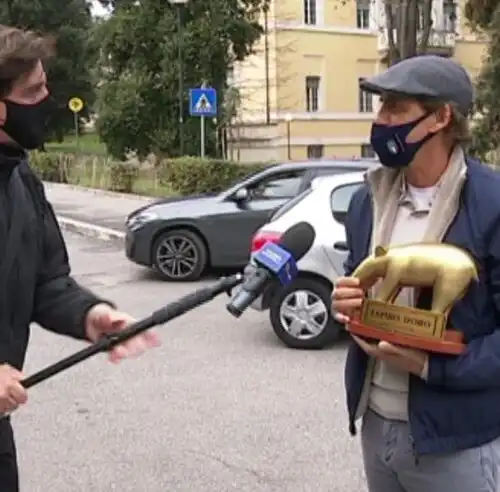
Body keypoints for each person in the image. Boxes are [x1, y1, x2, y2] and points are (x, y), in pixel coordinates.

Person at [0, 25, 161, 490]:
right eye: (33, 91)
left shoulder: (22, 180)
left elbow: (48, 281)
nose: (48, 98)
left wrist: (92, 314)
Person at [332, 54, 500, 492]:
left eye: (395, 107)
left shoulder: (493, 204)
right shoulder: (366, 200)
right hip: (375, 425)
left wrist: (430, 367)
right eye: (380, 106)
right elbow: (361, 284)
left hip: (455, 440)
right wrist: (346, 304)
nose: (381, 120)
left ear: (441, 117)